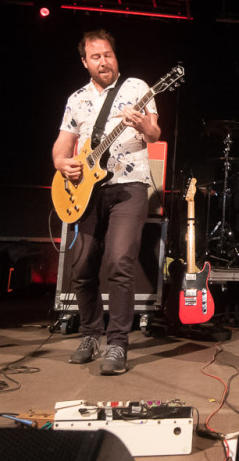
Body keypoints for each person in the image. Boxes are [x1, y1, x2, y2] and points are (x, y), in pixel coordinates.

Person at [53, 30, 160, 376]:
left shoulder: (137, 88)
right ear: (85, 62)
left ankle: (117, 343)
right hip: (86, 190)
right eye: (96, 56)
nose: (104, 61)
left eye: (109, 55)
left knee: (118, 262)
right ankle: (90, 335)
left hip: (129, 187)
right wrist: (60, 162)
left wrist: (143, 123)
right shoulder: (76, 99)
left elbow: (155, 133)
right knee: (80, 268)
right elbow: (63, 142)